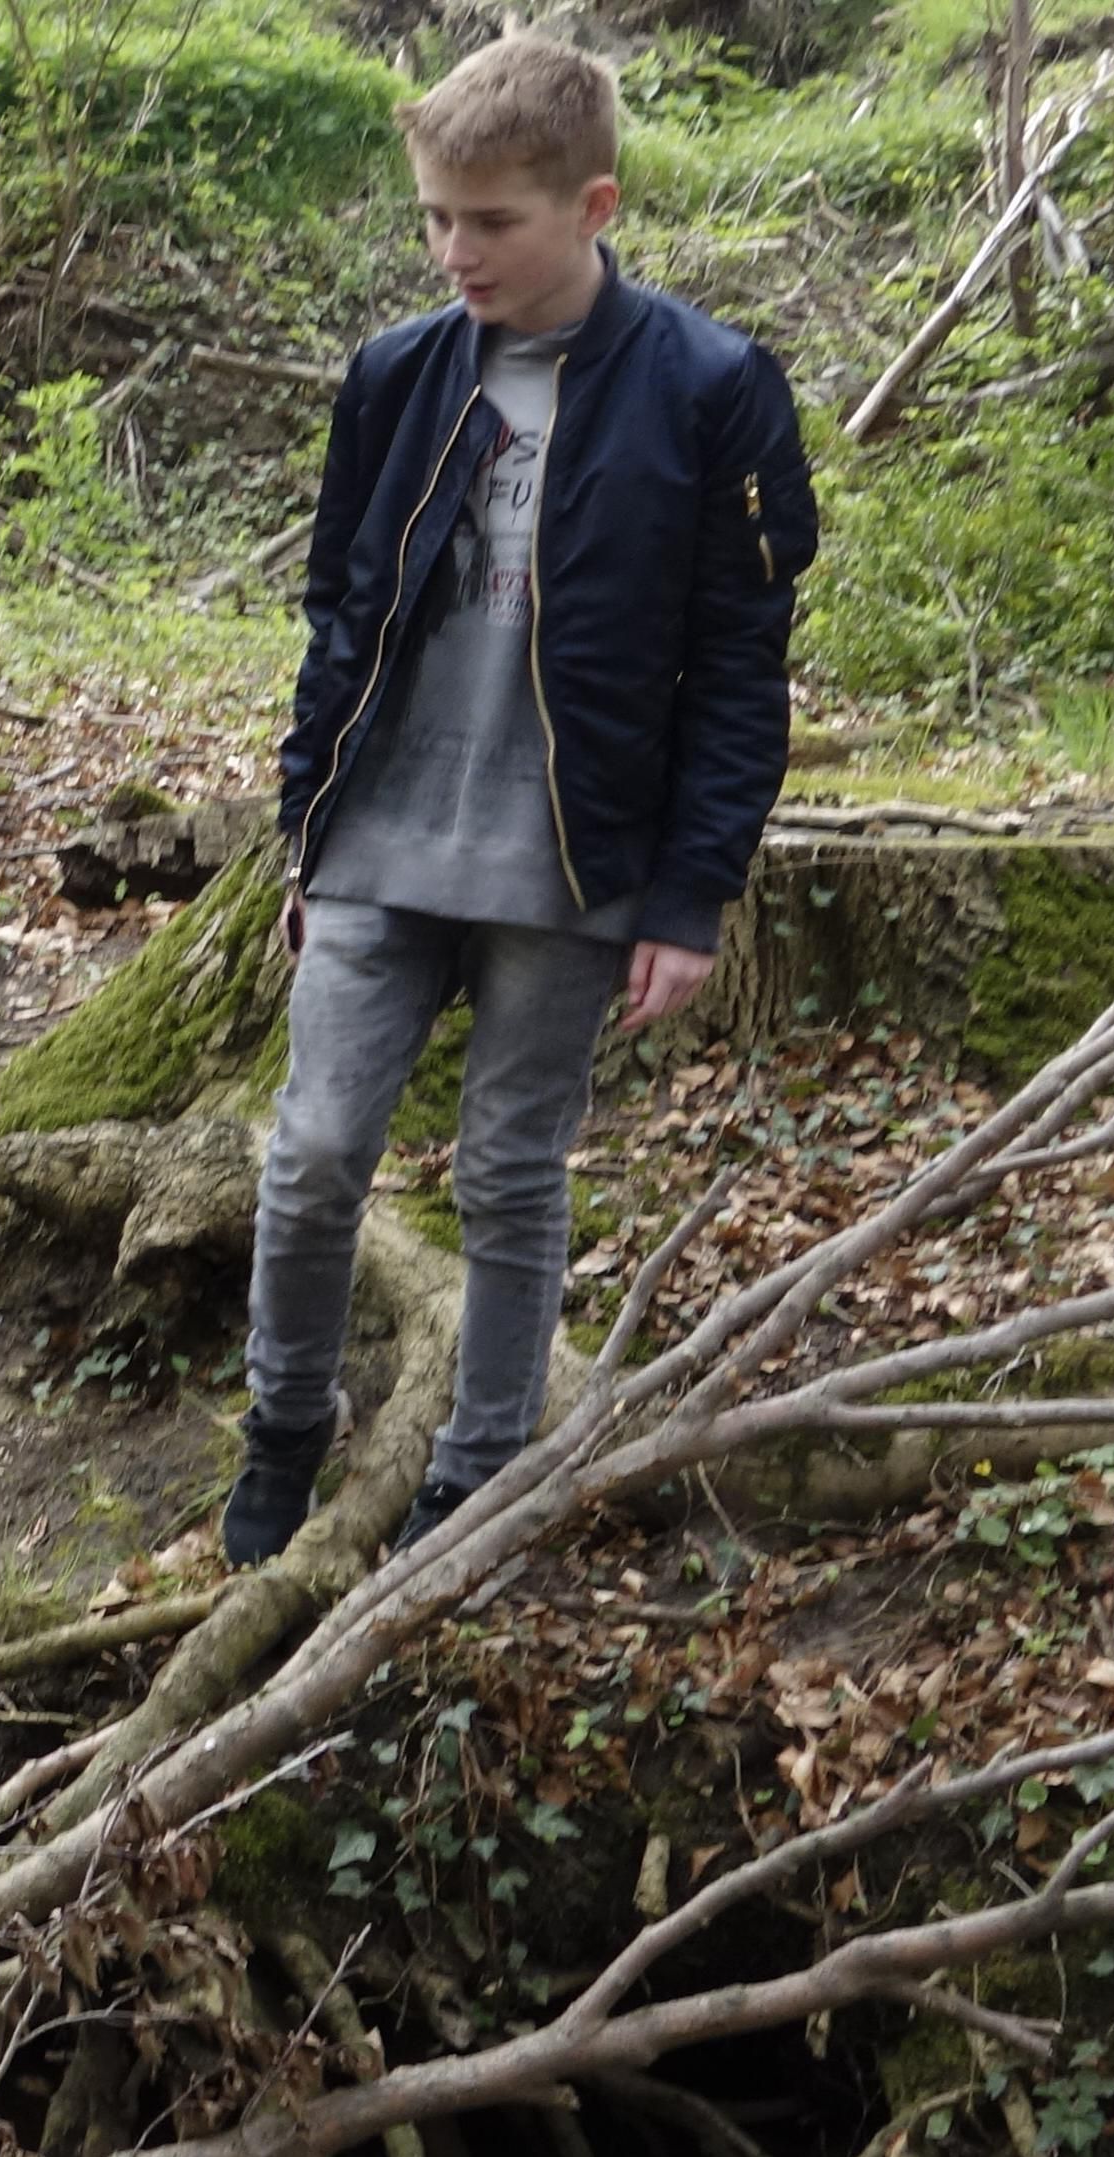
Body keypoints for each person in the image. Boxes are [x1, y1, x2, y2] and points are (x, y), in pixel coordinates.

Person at [230, 30, 816, 1567]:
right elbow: (339, 616)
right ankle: (282, 1437)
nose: (453, 250)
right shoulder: (395, 375)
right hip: (378, 840)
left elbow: (738, 664)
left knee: (506, 1168)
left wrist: (689, 896)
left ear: (593, 204)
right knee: (308, 1161)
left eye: (489, 222)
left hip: (574, 860)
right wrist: (305, 831)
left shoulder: (710, 389)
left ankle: (477, 1470)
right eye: (433, 217)